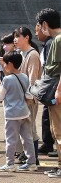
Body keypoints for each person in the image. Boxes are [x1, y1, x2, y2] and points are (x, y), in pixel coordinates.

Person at [0, 52, 37, 172]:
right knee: (27, 138)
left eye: (5, 64)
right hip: (25, 112)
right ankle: (31, 162)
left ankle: (9, 164)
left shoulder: (7, 79)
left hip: (12, 114)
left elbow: (1, 97)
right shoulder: (25, 77)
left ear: (10, 64)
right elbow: (28, 94)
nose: (4, 66)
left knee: (11, 139)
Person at [37, 8, 61, 178]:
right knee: (55, 130)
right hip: (55, 91)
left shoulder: (58, 40)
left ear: (45, 24)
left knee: (58, 131)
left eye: (39, 25)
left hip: (57, 93)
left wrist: (59, 90)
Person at [14, 26, 41, 162]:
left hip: (28, 99)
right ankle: (29, 156)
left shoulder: (33, 55)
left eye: (18, 36)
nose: (15, 39)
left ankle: (33, 158)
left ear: (27, 37)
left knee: (29, 129)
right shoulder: (22, 54)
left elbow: (33, 79)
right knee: (25, 129)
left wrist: (28, 97)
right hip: (22, 98)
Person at [35, 21, 56, 156]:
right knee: (48, 116)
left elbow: (51, 69)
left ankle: (49, 144)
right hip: (51, 87)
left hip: (52, 88)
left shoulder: (51, 43)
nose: (36, 33)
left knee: (52, 119)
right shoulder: (48, 44)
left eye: (37, 30)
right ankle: (48, 143)